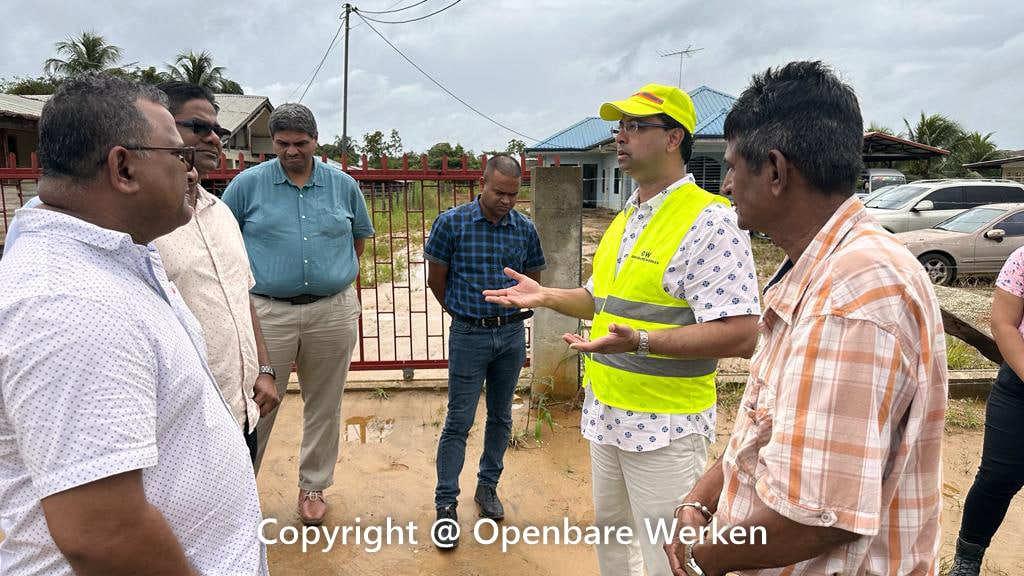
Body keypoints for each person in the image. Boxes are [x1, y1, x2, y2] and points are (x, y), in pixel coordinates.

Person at [662, 61, 946, 576]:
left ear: (774, 171)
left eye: (731, 168)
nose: (725, 186)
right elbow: (767, 425)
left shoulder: (850, 297)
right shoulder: (823, 267)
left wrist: (703, 560)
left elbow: (818, 517)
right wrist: (702, 501)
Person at [483, 85, 760, 575]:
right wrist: (545, 296)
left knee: (669, 557)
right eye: (620, 126)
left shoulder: (709, 220)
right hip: (607, 413)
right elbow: (598, 300)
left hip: (665, 425)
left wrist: (644, 341)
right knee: (613, 544)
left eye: (636, 126)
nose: (620, 136)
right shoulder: (627, 216)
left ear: (674, 137)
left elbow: (742, 331)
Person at [0, 73, 266, 575]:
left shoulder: (118, 257)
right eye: (178, 156)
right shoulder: (70, 302)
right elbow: (105, 534)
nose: (193, 172)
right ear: (123, 168)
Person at [222, 102, 374, 526]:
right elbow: (226, 244)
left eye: (300, 143)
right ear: (274, 143)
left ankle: (313, 486)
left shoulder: (342, 185)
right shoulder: (246, 186)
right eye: (283, 144)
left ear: (316, 141)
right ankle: (240, 489)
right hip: (267, 313)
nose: (291, 151)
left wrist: (329, 277)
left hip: (332, 312)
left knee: (324, 404)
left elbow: (357, 240)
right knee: (256, 402)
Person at [151, 81, 279, 464]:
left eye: (218, 131)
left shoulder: (222, 213)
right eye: (198, 128)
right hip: (181, 426)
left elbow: (243, 296)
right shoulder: (140, 227)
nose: (214, 139)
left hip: (240, 412)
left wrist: (265, 368)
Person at [424, 154, 546, 549]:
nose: (506, 201)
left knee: (500, 417)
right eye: (499, 192)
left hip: (510, 337)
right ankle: (446, 505)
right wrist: (464, 316)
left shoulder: (525, 230)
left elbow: (533, 283)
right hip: (469, 335)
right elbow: (436, 280)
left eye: (513, 194)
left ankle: (487, 487)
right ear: (482, 183)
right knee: (458, 420)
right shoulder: (451, 224)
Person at [949, 247, 1024, 575]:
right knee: (998, 477)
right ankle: (967, 558)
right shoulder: (1022, 259)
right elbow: (1003, 324)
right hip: (1020, 385)